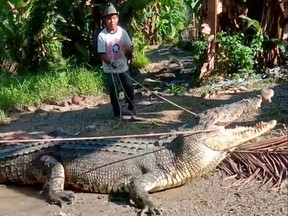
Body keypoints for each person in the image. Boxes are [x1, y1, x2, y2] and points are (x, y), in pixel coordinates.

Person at [97, 3, 136, 120]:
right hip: (110, 69)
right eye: (109, 18)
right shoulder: (102, 36)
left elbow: (130, 48)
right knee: (114, 90)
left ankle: (131, 107)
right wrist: (111, 63)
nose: (111, 21)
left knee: (129, 86)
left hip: (123, 67)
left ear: (117, 19)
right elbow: (103, 55)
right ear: (105, 20)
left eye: (114, 18)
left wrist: (128, 50)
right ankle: (117, 113)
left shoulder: (122, 32)